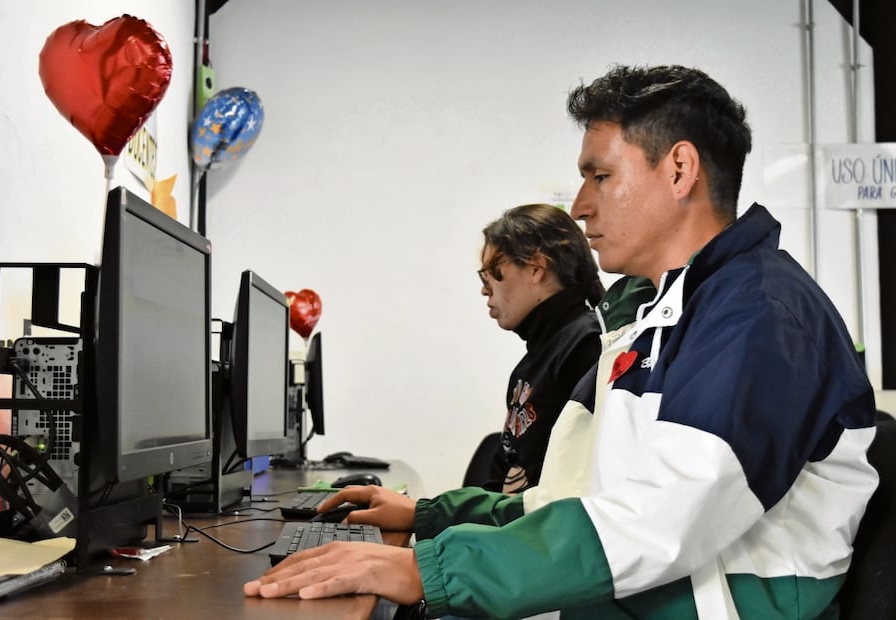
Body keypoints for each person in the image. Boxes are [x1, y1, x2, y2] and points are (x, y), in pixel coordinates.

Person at [244, 64, 878, 619]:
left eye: (599, 176)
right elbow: (578, 498)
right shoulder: (660, 314)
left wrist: (431, 569)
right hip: (633, 595)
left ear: (680, 169)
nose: (578, 206)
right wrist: (432, 518)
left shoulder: (759, 316)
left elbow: (659, 523)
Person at [474, 203, 604, 493]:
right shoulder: (535, 360)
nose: (485, 289)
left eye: (492, 273)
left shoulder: (586, 347)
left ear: (535, 269)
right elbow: (498, 480)